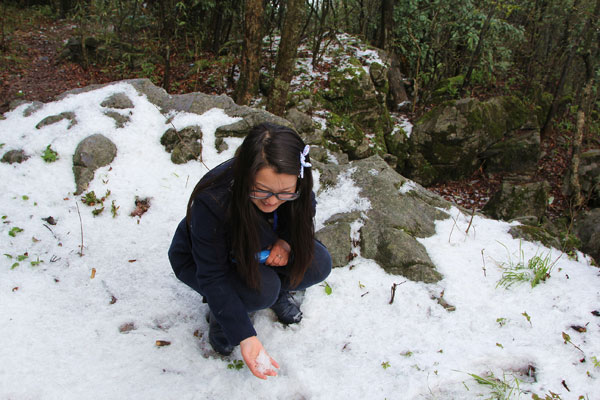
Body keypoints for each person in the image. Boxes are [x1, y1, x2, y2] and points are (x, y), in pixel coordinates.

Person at [168, 122, 332, 379]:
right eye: (261, 190)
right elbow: (212, 274)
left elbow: (303, 213)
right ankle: (224, 316)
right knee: (261, 291)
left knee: (318, 263)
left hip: (260, 250)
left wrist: (286, 242)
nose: (272, 201)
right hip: (208, 262)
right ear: (246, 174)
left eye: (284, 194)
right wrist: (244, 334)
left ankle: (277, 292)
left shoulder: (294, 185)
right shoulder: (213, 200)